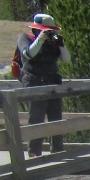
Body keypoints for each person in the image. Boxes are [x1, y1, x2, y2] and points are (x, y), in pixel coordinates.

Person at [14, 13, 72, 156]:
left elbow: (66, 59)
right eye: (45, 30)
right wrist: (40, 39)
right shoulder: (26, 38)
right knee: (36, 117)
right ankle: (34, 152)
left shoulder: (53, 42)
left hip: (52, 81)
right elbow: (28, 54)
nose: (48, 33)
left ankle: (58, 150)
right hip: (34, 81)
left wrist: (61, 45)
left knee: (56, 117)